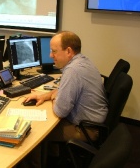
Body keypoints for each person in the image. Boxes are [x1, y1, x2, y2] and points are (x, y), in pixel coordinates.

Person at [17, 31, 108, 168]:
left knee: (32, 133)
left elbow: (60, 111)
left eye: (54, 51)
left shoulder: (73, 71)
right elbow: (62, 92)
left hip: (86, 130)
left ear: (69, 51)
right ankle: (53, 159)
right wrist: (45, 96)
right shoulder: (83, 61)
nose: (50, 55)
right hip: (94, 123)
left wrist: (55, 97)